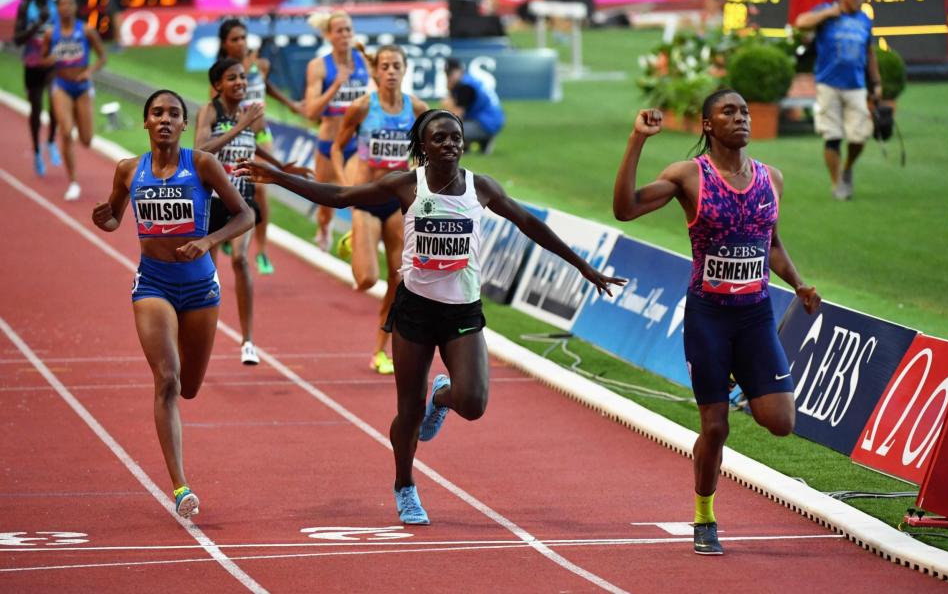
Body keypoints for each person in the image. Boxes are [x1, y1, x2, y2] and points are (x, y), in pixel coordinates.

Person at [238, 109, 625, 525]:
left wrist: (583, 266)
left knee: (473, 403)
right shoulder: (406, 185)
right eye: (439, 138)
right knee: (407, 410)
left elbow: (529, 223)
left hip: (462, 309)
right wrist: (280, 178)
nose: (450, 144)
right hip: (416, 310)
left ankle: (441, 397)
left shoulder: (482, 189)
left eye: (455, 137)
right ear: (424, 147)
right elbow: (339, 196)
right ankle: (404, 485)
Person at [612, 90, 822, 555]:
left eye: (745, 111)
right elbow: (625, 208)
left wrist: (800, 283)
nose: (741, 117)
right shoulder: (689, 176)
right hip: (709, 317)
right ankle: (704, 516)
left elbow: (772, 244)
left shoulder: (772, 179)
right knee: (715, 428)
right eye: (729, 112)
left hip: (754, 314)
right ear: (707, 125)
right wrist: (636, 141)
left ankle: (746, 378)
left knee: (782, 421)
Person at [91, 89, 254, 517]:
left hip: (200, 288)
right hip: (154, 285)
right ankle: (181, 486)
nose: (165, 119)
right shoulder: (129, 170)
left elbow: (245, 215)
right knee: (167, 379)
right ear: (145, 122)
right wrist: (103, 217)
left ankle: (180, 458)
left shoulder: (201, 164)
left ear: (184, 124)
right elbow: (113, 217)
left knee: (190, 387)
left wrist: (208, 240)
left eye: (174, 114)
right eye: (157, 113)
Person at [195, 57, 310, 366]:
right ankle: (201, 332)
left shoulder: (251, 115)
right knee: (207, 273)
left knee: (240, 258)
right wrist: (242, 126)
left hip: (242, 202)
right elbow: (202, 151)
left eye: (243, 77)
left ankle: (247, 341)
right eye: (232, 78)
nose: (241, 83)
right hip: (210, 202)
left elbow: (254, 146)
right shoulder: (209, 111)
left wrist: (282, 167)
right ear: (218, 84)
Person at [330, 44, 429, 375]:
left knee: (400, 279)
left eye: (395, 66)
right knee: (367, 279)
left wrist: (420, 172)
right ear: (377, 72)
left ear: (404, 70)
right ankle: (352, 240)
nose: (390, 71)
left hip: (398, 202)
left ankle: (378, 351)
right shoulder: (361, 107)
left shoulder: (417, 108)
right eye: (384, 66)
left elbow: (426, 151)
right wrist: (346, 183)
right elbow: (336, 146)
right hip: (366, 199)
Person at [217, 19, 303, 275]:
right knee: (230, 190)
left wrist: (290, 103)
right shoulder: (222, 70)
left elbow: (267, 88)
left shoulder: (260, 64)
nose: (241, 43)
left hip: (261, 136)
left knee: (263, 191)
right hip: (235, 138)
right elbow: (217, 104)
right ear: (225, 43)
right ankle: (226, 233)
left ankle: (262, 250)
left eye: (243, 37)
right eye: (235, 39)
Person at [795, 0, 882, 201]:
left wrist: (877, 82)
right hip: (828, 85)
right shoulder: (826, 12)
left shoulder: (864, 20)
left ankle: (847, 167)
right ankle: (837, 183)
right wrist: (828, 13)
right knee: (832, 136)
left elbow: (870, 53)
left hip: (856, 86)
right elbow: (800, 23)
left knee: (859, 137)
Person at [303, 11, 371, 251]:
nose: (345, 35)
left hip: (357, 144)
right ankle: (324, 227)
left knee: (356, 196)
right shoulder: (319, 66)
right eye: (339, 30)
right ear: (329, 35)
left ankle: (361, 248)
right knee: (326, 205)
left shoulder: (365, 61)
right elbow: (311, 111)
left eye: (348, 30)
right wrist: (336, 85)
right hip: (328, 144)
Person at [41, 0, 106, 201]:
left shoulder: (86, 30)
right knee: (66, 132)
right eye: (63, 4)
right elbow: (42, 60)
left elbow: (102, 56)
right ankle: (73, 182)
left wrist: (90, 71)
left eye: (70, 4)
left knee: (86, 140)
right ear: (57, 9)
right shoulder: (51, 34)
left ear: (75, 7)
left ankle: (78, 116)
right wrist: (49, 60)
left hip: (83, 87)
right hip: (61, 86)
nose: (66, 8)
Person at [13, 0, 61, 177]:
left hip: (53, 62)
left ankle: (50, 140)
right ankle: (37, 152)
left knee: (56, 101)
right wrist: (36, 25)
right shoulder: (26, 6)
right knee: (36, 107)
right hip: (33, 63)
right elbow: (17, 40)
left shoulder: (56, 4)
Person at [441, 58, 504, 154]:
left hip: (486, 123)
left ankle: (477, 142)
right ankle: (479, 142)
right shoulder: (467, 81)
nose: (448, 77)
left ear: (460, 71)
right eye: (447, 74)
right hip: (487, 119)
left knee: (448, 128)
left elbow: (456, 116)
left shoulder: (466, 87)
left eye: (450, 74)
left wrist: (447, 100)